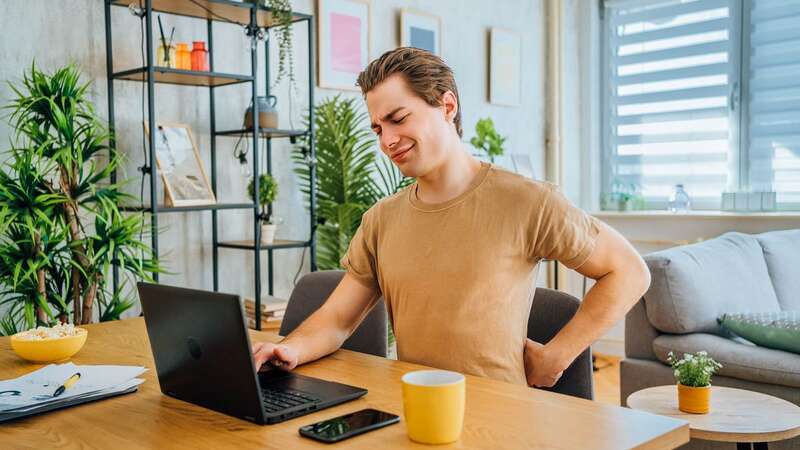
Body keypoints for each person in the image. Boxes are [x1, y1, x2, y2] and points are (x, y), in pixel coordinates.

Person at [252, 47, 650, 388]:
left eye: (398, 118)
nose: (387, 140)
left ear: (447, 106)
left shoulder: (527, 201)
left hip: (501, 421)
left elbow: (629, 271)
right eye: (377, 128)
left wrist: (557, 356)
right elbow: (337, 319)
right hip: (416, 411)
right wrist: (289, 348)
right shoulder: (380, 220)